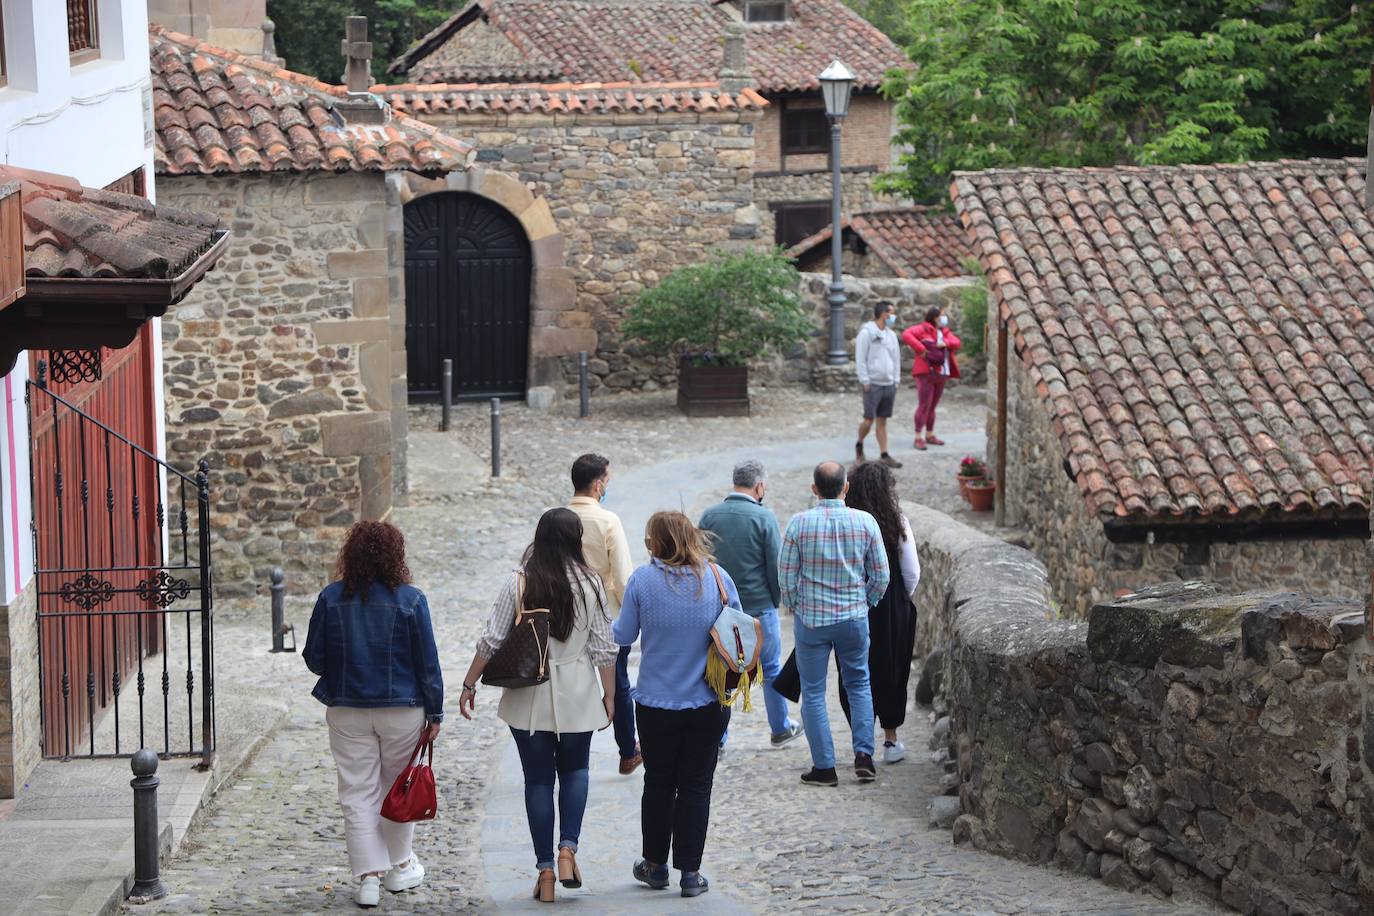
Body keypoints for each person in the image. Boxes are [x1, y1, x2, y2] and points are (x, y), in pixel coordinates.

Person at [457, 508, 618, 904]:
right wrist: (610, 695)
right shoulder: (592, 584)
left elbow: (491, 639)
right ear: (575, 540)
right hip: (578, 688)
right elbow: (603, 648)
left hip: (529, 695)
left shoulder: (520, 582)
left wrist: (468, 682)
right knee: (577, 769)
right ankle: (568, 850)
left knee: (538, 781)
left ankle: (545, 870)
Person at [303, 521, 444, 909]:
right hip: (402, 708)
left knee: (356, 792)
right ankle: (400, 866)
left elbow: (314, 659)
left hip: (347, 708)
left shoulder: (330, 598)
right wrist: (435, 713)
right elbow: (427, 665)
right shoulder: (412, 600)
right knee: (398, 788)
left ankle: (368, 877)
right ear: (395, 557)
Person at [613, 511, 739, 899]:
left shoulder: (643, 581)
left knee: (659, 784)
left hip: (655, 703)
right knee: (697, 786)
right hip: (707, 701)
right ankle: (690, 874)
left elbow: (623, 634)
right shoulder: (718, 578)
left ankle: (654, 865)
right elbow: (737, 625)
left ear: (655, 542)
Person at [780, 461, 890, 787]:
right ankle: (864, 756)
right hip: (853, 619)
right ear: (846, 487)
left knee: (813, 692)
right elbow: (881, 575)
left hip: (812, 621)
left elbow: (785, 578)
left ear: (814, 489)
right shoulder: (866, 522)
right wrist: (864, 602)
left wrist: (798, 606)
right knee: (858, 684)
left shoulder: (798, 525)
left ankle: (825, 767)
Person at [697, 459, 802, 750]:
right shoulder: (764, 518)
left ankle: (718, 737)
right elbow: (775, 567)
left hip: (720, 609)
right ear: (760, 486)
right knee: (770, 668)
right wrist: (778, 601)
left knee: (721, 670)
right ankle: (780, 728)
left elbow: (701, 560)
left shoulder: (710, 516)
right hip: (759, 607)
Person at [836, 461, 921, 764]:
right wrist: (901, 599)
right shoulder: (896, 521)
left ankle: (862, 740)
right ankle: (891, 739)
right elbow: (911, 570)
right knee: (893, 671)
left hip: (851, 605)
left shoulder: (846, 522)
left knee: (855, 672)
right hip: (891, 606)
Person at [565, 453, 641, 775]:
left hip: (566, 613)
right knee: (619, 682)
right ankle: (627, 750)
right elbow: (623, 576)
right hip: (605, 612)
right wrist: (630, 614)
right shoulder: (608, 521)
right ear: (598, 485)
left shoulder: (556, 517)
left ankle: (568, 749)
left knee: (569, 680)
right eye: (607, 481)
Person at [902, 306, 962, 450]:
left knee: (933, 406)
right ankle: (918, 436)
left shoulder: (945, 332)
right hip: (926, 373)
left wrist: (946, 343)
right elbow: (906, 334)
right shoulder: (923, 329)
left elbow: (957, 342)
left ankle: (929, 434)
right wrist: (921, 349)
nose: (944, 318)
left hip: (941, 373)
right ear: (935, 318)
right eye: (942, 315)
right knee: (924, 405)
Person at [854, 300, 903, 469]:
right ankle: (859, 445)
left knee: (882, 420)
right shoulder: (867, 333)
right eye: (891, 313)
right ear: (884, 314)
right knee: (869, 419)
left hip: (889, 383)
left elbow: (896, 359)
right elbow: (860, 357)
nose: (893, 317)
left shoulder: (891, 335)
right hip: (873, 384)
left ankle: (884, 454)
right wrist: (865, 380)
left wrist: (896, 379)